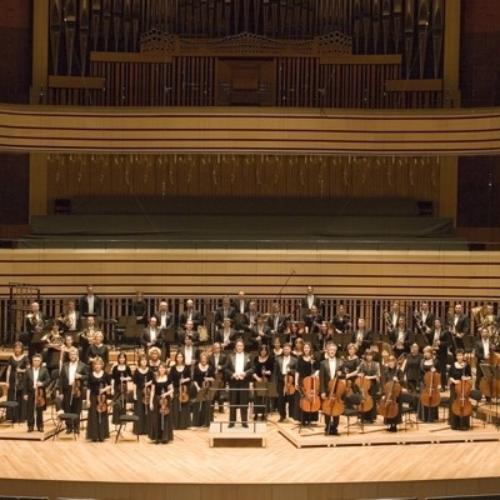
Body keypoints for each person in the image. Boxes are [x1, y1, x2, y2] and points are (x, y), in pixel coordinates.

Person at [57, 347, 88, 434]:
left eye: (74, 354)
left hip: (77, 389)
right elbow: (61, 379)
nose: (73, 356)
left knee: (77, 408)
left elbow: (88, 376)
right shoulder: (65, 365)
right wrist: (60, 392)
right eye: (71, 354)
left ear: (77, 355)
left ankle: (76, 427)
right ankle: (69, 427)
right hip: (67, 389)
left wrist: (80, 376)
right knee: (67, 408)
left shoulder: (83, 365)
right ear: (69, 356)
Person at [225, 339, 253, 428]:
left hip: (244, 381)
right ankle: (232, 422)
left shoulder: (248, 355)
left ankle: (244, 422)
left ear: (243, 347)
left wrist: (245, 373)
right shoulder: (230, 356)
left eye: (241, 346)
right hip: (233, 381)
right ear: (235, 347)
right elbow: (226, 368)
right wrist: (233, 374)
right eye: (238, 346)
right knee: (233, 402)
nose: (239, 347)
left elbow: (252, 368)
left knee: (244, 402)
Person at [319, 343, 344, 436]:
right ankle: (328, 427)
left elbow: (344, 375)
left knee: (337, 408)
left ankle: (335, 428)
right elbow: (321, 378)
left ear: (336, 351)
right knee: (327, 408)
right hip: (327, 389)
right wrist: (322, 391)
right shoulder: (323, 363)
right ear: (327, 351)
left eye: (334, 349)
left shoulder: (340, 362)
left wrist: (341, 374)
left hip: (337, 390)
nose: (332, 351)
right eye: (330, 349)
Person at [85, 357, 111, 442]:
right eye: (95, 364)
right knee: (93, 416)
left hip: (102, 398)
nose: (97, 366)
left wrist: (104, 389)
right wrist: (88, 400)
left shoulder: (105, 374)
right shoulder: (90, 375)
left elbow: (110, 385)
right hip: (93, 397)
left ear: (102, 365)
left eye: (99, 364)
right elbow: (88, 388)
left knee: (102, 415)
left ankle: (102, 435)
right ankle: (94, 436)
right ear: (93, 365)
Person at [23, 353, 50, 432]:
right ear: (32, 361)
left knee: (39, 410)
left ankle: (40, 426)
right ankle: (30, 426)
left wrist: (42, 383)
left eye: (38, 360)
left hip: (39, 393)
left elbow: (48, 380)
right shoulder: (28, 371)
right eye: (35, 360)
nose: (36, 362)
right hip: (30, 392)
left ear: (40, 361)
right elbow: (24, 383)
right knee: (30, 410)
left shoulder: (44, 370)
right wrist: (25, 394)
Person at [295, 342, 320, 426]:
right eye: (305, 348)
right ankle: (302, 419)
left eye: (308, 348)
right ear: (303, 349)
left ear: (310, 349)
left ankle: (310, 419)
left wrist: (315, 374)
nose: (306, 349)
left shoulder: (314, 357)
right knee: (303, 399)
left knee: (311, 398)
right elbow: (297, 371)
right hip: (302, 381)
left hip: (311, 381)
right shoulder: (300, 358)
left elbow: (318, 369)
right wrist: (296, 382)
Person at [149, 362, 174, 444]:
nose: (161, 369)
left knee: (166, 418)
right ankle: (157, 437)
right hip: (157, 400)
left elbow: (172, 389)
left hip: (166, 400)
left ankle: (165, 437)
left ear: (165, 369)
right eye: (160, 368)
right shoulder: (155, 378)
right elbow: (152, 391)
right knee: (157, 418)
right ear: (158, 369)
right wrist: (151, 402)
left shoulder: (168, 378)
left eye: (163, 368)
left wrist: (165, 394)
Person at [5, 341, 29, 423]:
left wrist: (21, 370)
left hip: (22, 381)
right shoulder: (11, 357)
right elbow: (8, 370)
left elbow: (28, 369)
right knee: (12, 396)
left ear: (22, 349)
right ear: (14, 349)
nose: (17, 349)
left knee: (20, 397)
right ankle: (12, 416)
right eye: (16, 348)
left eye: (19, 348)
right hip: (12, 380)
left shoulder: (25, 357)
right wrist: (7, 382)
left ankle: (21, 417)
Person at [448, 349, 472, 431]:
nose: (459, 357)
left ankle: (464, 424)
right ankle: (455, 424)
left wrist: (466, 378)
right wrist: (454, 381)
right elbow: (450, 376)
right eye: (458, 355)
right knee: (454, 403)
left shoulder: (466, 365)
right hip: (455, 387)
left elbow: (470, 376)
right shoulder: (453, 365)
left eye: (461, 355)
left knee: (464, 404)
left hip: (464, 387)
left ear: (463, 356)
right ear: (456, 356)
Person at [275, 342, 297, 422]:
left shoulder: (295, 360)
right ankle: (282, 416)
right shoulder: (278, 359)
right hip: (281, 380)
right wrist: (276, 382)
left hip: (290, 380)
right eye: (284, 349)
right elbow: (276, 371)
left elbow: (297, 371)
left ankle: (291, 416)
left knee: (291, 399)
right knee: (281, 400)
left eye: (287, 349)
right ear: (283, 350)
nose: (286, 351)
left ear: (290, 350)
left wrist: (290, 370)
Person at [169, 352, 192, 429]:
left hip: (184, 389)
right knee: (176, 406)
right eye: (178, 357)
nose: (179, 358)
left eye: (181, 357)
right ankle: (176, 424)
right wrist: (172, 388)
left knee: (184, 406)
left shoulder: (187, 367)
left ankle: (184, 424)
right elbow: (170, 379)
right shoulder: (173, 368)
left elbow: (190, 378)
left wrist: (185, 380)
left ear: (183, 358)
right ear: (176, 358)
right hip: (176, 389)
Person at [192, 352, 215, 427]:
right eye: (202, 358)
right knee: (197, 405)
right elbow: (194, 379)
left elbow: (213, 378)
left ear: (207, 359)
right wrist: (198, 387)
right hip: (198, 388)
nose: (203, 360)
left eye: (205, 359)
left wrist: (208, 378)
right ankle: (197, 422)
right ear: (200, 359)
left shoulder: (210, 368)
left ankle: (206, 422)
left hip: (207, 389)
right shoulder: (196, 367)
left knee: (206, 405)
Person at [381, 355, 403, 432]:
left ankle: (395, 424)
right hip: (388, 393)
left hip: (396, 394)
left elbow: (403, 382)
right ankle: (389, 423)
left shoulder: (399, 371)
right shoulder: (386, 371)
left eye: (392, 361)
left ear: (395, 362)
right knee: (387, 407)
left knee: (395, 408)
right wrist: (384, 393)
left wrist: (398, 380)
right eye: (389, 361)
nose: (391, 363)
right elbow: (383, 382)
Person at [133, 354, 154, 435]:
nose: (144, 361)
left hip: (147, 392)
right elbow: (134, 383)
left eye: (145, 360)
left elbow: (153, 380)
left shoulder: (150, 371)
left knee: (148, 410)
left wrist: (148, 383)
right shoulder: (136, 371)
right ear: (140, 362)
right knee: (139, 410)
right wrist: (134, 394)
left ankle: (147, 429)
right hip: (139, 392)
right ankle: (139, 429)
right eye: (142, 360)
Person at [358, 350, 380, 423]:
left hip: (373, 384)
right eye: (367, 355)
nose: (369, 357)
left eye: (370, 355)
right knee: (364, 399)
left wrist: (369, 377)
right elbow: (358, 372)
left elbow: (377, 375)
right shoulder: (362, 363)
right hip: (365, 384)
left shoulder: (376, 364)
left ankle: (371, 417)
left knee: (372, 400)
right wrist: (361, 374)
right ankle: (364, 416)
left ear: (372, 356)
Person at [252, 345, 274, 421]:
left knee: (265, 398)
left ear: (267, 351)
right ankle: (256, 413)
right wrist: (257, 378)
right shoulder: (256, 358)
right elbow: (253, 370)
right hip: (257, 380)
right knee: (257, 398)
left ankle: (264, 414)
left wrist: (266, 372)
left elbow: (272, 371)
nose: (263, 351)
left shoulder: (270, 359)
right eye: (262, 350)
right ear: (260, 351)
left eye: (265, 350)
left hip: (266, 380)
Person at [418, 346, 440, 422]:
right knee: (424, 399)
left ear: (430, 353)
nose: (425, 354)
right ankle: (423, 417)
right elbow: (420, 372)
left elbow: (439, 373)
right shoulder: (422, 361)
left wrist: (435, 370)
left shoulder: (435, 362)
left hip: (432, 383)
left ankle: (432, 417)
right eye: (424, 352)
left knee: (432, 399)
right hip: (423, 383)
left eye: (427, 352)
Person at [111, 351, 132, 426]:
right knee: (116, 404)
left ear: (125, 359)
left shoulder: (127, 367)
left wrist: (125, 379)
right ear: (118, 359)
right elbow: (112, 379)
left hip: (124, 388)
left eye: (123, 358)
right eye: (120, 358)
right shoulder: (115, 368)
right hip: (116, 387)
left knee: (123, 403)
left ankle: (123, 420)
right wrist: (112, 389)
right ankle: (116, 420)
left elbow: (130, 377)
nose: (122, 359)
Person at [208, 342, 227, 413]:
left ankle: (221, 408)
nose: (217, 349)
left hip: (221, 376)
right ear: (213, 348)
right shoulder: (210, 357)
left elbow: (226, 365)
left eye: (218, 348)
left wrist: (221, 367)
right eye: (215, 348)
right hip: (213, 376)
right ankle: (211, 408)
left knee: (220, 392)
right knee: (213, 392)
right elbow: (208, 366)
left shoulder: (224, 356)